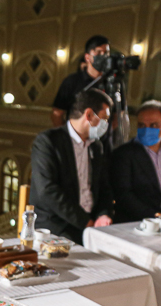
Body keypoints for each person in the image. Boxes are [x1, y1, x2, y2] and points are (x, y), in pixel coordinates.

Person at [30, 88, 114, 244]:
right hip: (57, 224)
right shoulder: (48, 142)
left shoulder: (96, 146)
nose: (106, 125)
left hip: (92, 222)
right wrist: (86, 223)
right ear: (89, 115)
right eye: (104, 119)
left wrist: (103, 214)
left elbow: (104, 187)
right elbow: (47, 190)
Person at [111, 100, 161, 223]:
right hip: (139, 218)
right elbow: (124, 194)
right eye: (141, 125)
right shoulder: (124, 153)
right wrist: (155, 216)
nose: (146, 130)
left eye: (153, 125)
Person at [51, 36, 110, 127]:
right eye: (98, 52)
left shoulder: (112, 83)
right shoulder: (71, 82)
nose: (103, 57)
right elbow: (57, 114)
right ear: (87, 57)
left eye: (106, 53)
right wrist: (67, 134)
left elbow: (118, 116)